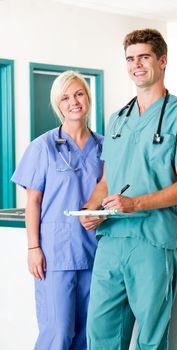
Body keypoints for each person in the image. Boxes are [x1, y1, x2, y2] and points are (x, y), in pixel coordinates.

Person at [80, 28, 177, 350]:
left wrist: (135, 205)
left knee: (151, 339)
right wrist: (89, 210)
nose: (136, 64)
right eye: (130, 59)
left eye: (144, 57)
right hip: (111, 240)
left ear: (162, 61)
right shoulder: (118, 119)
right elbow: (107, 182)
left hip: (154, 239)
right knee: (100, 334)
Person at [11, 70, 104, 350]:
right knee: (59, 332)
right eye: (65, 98)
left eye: (78, 94)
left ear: (87, 98)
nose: (73, 101)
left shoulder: (104, 147)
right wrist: (32, 248)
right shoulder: (43, 147)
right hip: (56, 253)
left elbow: (110, 193)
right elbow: (33, 203)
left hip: (95, 251)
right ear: (57, 105)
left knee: (88, 333)